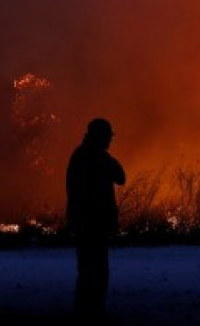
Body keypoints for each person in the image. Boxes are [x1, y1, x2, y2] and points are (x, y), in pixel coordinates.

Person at [66, 117, 126, 320]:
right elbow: (120, 177)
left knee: (91, 272)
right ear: (98, 137)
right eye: (107, 137)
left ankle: (88, 313)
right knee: (94, 273)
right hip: (92, 225)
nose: (110, 141)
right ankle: (89, 314)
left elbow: (120, 178)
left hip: (89, 225)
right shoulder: (94, 159)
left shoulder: (81, 156)